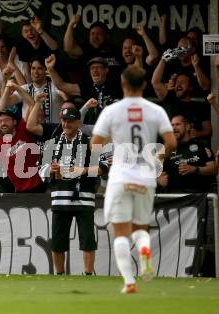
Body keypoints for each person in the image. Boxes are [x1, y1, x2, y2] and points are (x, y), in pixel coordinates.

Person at [91, 66, 177, 293]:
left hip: (120, 177)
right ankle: (145, 257)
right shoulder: (155, 110)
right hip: (146, 177)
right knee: (141, 229)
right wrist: (156, 158)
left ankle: (129, 282)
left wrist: (114, 142)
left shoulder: (112, 111)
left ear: (122, 83)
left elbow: (95, 144)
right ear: (145, 84)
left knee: (120, 233)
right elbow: (171, 142)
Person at [28, 97, 105, 275]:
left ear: (78, 122)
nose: (66, 124)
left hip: (84, 197)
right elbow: (41, 170)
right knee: (57, 241)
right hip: (59, 198)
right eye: (63, 120)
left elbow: (102, 168)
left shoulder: (89, 142)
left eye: (70, 120)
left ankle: (87, 274)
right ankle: (60, 275)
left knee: (87, 240)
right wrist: (51, 170)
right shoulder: (52, 143)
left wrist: (82, 170)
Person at [157, 114, 217, 193]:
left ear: (188, 127)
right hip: (174, 197)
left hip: (199, 197)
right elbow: (157, 174)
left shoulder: (201, 146)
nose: (174, 128)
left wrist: (194, 169)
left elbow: (214, 169)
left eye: (178, 124)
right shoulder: (167, 150)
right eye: (172, 125)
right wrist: (159, 180)